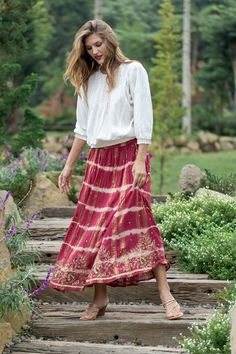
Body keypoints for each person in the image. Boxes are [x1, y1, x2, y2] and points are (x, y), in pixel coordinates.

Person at [49, 19, 183, 321]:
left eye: (98, 44)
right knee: (98, 229)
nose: (95, 51)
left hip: (129, 156)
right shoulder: (87, 81)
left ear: (110, 40)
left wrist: (139, 159)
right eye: (89, 48)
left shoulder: (133, 71)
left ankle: (166, 295)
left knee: (137, 220)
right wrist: (68, 167)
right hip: (99, 161)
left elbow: (144, 118)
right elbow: (82, 130)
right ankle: (100, 299)